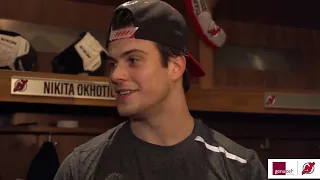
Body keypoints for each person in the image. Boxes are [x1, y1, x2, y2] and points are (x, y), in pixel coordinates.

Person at [54, 0, 268, 180]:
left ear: (175, 67)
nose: (115, 76)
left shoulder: (241, 168)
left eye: (133, 60)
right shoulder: (80, 169)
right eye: (113, 63)